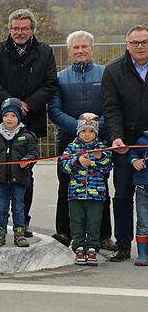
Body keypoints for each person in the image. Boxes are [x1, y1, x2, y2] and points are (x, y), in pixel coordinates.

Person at [0, 9, 57, 237]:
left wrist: (28, 104)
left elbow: (50, 83)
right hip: (1, 124)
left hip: (30, 123)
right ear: (9, 29)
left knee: (25, 176)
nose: (20, 32)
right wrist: (11, 104)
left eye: (25, 28)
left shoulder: (45, 52)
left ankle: (22, 223)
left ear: (33, 30)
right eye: (15, 28)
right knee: (1, 176)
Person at [48, 30, 114, 250]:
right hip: (68, 140)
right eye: (76, 47)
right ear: (69, 51)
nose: (80, 51)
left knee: (100, 186)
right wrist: (79, 128)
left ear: (91, 49)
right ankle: (65, 232)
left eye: (84, 46)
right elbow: (54, 110)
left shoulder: (105, 75)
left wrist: (95, 128)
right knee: (65, 186)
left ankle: (104, 236)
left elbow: (111, 107)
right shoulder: (60, 78)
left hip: (99, 141)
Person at [101, 24, 148, 262]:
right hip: (125, 144)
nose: (140, 46)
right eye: (135, 42)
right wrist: (116, 136)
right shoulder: (113, 71)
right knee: (122, 195)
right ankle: (122, 244)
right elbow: (111, 108)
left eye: (144, 42)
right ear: (127, 45)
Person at [0, 98, 37, 248]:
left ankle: (19, 234)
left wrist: (27, 160)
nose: (9, 119)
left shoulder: (27, 136)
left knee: (19, 208)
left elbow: (34, 153)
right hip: (0, 180)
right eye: (6, 115)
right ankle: (0, 233)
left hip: (20, 180)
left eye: (13, 115)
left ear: (19, 117)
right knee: (1, 208)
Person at [62, 113, 111, 266]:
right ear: (78, 132)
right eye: (84, 131)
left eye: (91, 131)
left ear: (95, 132)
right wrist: (77, 161)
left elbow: (108, 166)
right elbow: (64, 166)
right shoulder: (72, 147)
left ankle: (92, 248)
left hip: (96, 196)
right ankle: (78, 248)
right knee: (77, 222)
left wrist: (98, 158)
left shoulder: (102, 147)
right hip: (75, 194)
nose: (87, 134)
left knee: (94, 222)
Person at [128, 128, 148, 266]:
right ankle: (142, 254)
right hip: (143, 187)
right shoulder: (141, 140)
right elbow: (132, 153)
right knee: (143, 222)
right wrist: (135, 160)